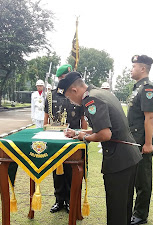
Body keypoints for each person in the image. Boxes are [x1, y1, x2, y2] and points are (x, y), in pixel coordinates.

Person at [58, 72, 142, 225]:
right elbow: (104, 127)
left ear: (74, 90)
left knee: (116, 210)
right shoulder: (101, 93)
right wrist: (79, 132)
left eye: (69, 97)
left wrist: (83, 137)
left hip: (118, 161)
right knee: (124, 207)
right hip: (129, 157)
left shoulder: (91, 100)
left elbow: (104, 134)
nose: (71, 101)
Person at [44, 64, 87, 213]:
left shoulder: (79, 95)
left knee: (72, 170)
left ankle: (71, 200)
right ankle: (59, 200)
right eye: (65, 78)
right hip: (56, 138)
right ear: (60, 79)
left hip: (74, 139)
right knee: (57, 171)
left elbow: (83, 118)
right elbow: (46, 119)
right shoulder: (51, 95)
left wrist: (84, 136)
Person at [127, 55, 153, 225]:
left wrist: (148, 143)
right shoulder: (138, 88)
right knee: (135, 178)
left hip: (142, 142)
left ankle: (140, 215)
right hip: (134, 140)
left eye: (133, 66)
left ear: (142, 69)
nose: (131, 69)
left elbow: (149, 118)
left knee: (143, 180)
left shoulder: (147, 89)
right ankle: (135, 211)